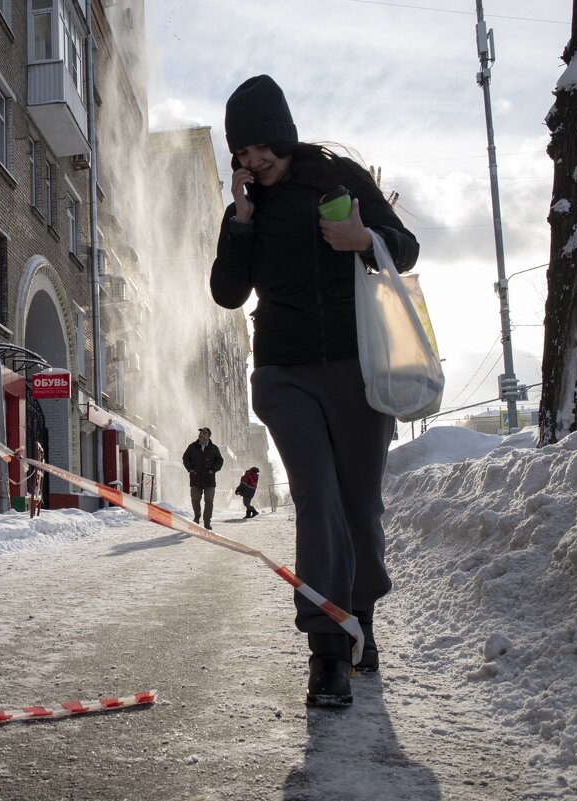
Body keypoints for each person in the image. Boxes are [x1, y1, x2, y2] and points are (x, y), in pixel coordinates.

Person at [210, 75, 419, 708]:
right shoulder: (247, 210)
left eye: (259, 149)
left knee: (360, 505)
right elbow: (227, 293)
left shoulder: (341, 180)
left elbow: (404, 251)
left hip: (358, 368)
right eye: (240, 155)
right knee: (319, 499)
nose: (252, 163)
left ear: (282, 135)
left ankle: (361, 618)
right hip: (283, 372)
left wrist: (364, 242)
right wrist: (241, 222)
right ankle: (327, 651)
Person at [181, 427, 223, 530]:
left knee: (209, 500)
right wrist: (190, 469)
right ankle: (196, 517)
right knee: (195, 499)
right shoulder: (192, 447)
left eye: (204, 433)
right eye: (200, 433)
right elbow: (185, 458)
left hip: (209, 480)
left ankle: (207, 522)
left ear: (208, 436)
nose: (201, 435)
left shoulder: (214, 448)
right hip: (195, 478)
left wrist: (213, 470)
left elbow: (220, 461)